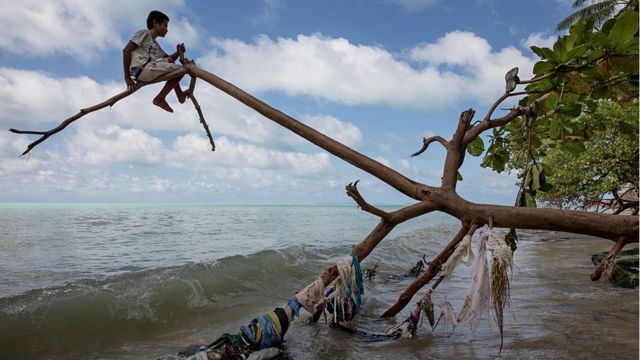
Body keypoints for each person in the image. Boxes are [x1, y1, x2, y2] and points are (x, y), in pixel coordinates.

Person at [123, 10, 188, 113]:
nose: (167, 30)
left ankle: (179, 95)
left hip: (148, 68)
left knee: (173, 64)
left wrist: (178, 52)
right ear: (155, 23)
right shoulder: (144, 33)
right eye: (165, 26)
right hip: (142, 69)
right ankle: (160, 98)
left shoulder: (155, 45)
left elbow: (170, 59)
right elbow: (126, 50)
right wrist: (127, 77)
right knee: (183, 69)